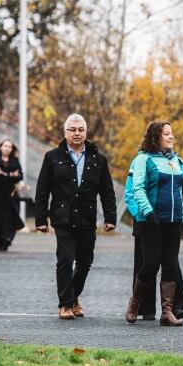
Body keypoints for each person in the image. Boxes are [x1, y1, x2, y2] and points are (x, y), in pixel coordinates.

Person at [34, 114, 117, 320]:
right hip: (62, 217)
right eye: (72, 129)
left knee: (85, 261)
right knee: (65, 259)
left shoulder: (98, 158)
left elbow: (107, 191)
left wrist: (110, 217)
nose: (77, 133)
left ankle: (73, 297)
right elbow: (42, 190)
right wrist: (41, 219)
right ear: (65, 132)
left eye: (80, 129)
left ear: (86, 133)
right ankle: (65, 304)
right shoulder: (52, 157)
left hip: (87, 218)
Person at [125, 121, 183, 326]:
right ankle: (134, 305)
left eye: (172, 133)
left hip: (174, 223)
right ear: (156, 137)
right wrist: (147, 213)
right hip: (152, 222)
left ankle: (167, 312)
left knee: (170, 265)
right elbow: (137, 189)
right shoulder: (143, 160)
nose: (171, 137)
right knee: (150, 265)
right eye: (166, 134)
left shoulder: (179, 162)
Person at [0, 139, 24, 251]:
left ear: (12, 149)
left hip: (11, 194)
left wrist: (16, 175)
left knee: (11, 216)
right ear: (0, 147)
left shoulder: (15, 160)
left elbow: (21, 176)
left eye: (9, 147)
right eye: (5, 146)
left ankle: (8, 238)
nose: (7, 148)